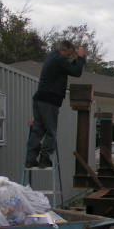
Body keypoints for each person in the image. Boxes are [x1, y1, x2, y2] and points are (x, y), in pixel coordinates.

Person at [26, 40, 86, 168]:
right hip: (49, 100)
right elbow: (76, 72)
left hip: (39, 98)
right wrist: (80, 57)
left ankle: (30, 159)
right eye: (70, 54)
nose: (70, 56)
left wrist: (76, 60)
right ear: (66, 50)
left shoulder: (53, 56)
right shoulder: (59, 59)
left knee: (38, 130)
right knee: (51, 131)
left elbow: (69, 67)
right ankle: (44, 158)